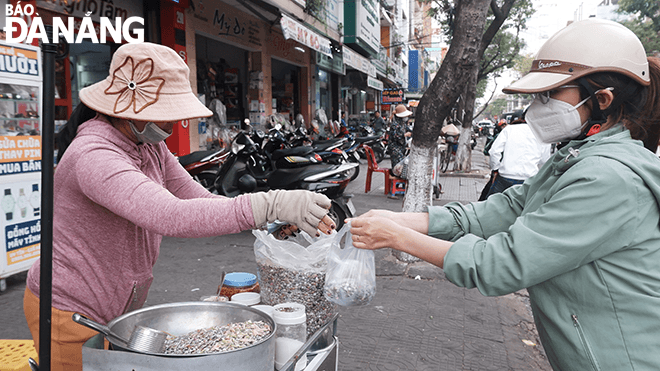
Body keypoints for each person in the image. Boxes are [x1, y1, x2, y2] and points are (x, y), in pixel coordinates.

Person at [348, 19, 660, 371]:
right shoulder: (574, 157)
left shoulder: (609, 178)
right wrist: (400, 219)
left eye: (550, 95)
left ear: (602, 100)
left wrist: (397, 237)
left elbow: (500, 265)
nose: (537, 107)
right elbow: (505, 208)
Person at [23, 43, 335, 371]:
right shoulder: (94, 156)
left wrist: (274, 215)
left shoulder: (147, 144)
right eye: (166, 112)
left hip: (112, 309)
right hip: (68, 312)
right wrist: (270, 203)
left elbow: (194, 197)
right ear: (130, 109)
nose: (174, 122)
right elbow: (171, 215)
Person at [485, 109, 552, 197]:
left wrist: (495, 169)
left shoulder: (509, 129)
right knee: (523, 209)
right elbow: (544, 160)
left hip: (505, 178)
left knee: (492, 207)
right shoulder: (543, 134)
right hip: (529, 180)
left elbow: (494, 152)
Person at [388, 104, 413, 172]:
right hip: (395, 149)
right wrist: (405, 135)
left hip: (401, 148)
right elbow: (395, 136)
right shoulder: (394, 124)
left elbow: (409, 130)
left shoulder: (403, 123)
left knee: (403, 165)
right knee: (398, 167)